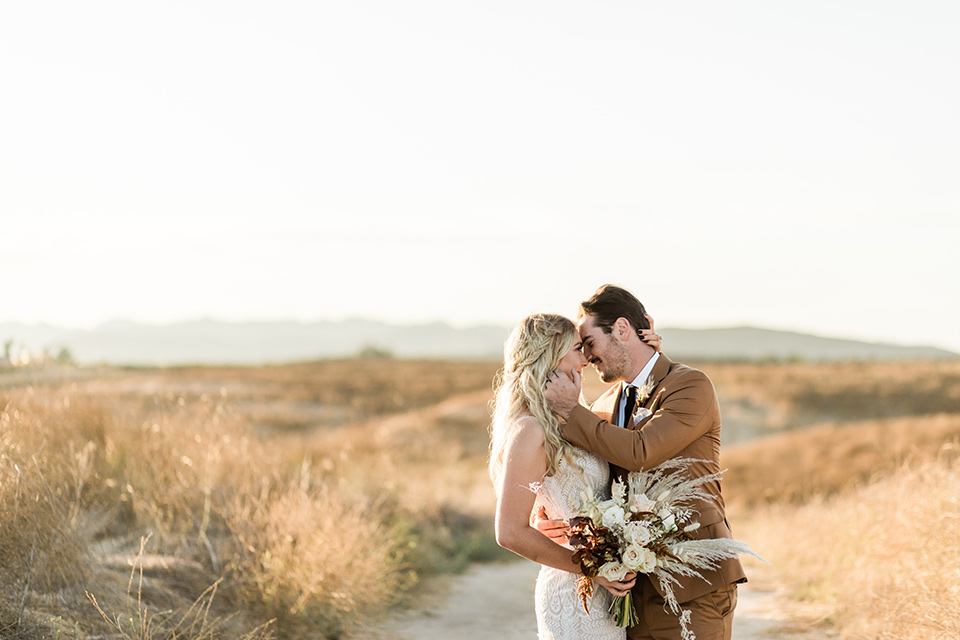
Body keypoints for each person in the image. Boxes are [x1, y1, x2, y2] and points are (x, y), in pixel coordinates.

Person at [541, 285, 746, 640]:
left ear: (622, 330)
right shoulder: (602, 404)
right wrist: (551, 510)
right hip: (628, 592)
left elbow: (641, 451)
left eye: (590, 342)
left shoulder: (689, 385)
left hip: (692, 583)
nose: (587, 358)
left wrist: (570, 410)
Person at [489, 312, 660, 639]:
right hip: (571, 595)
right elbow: (509, 531)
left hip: (603, 593)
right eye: (577, 348)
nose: (586, 358)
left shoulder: (566, 421)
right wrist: (594, 569)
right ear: (550, 354)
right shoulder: (530, 429)